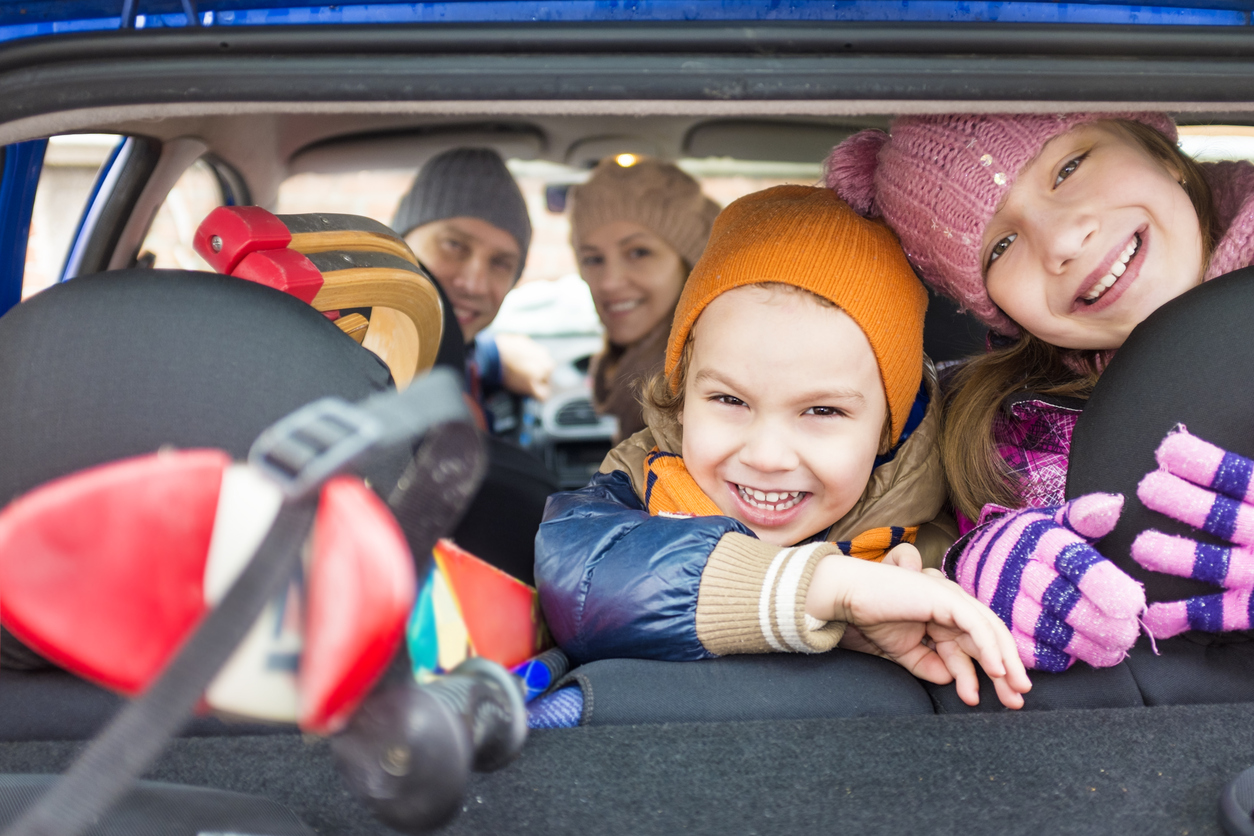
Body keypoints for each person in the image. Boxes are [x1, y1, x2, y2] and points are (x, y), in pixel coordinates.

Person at [536, 186, 1031, 709]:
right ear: (682, 402)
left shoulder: (944, 551)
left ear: (889, 425)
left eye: (822, 411)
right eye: (730, 400)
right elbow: (578, 585)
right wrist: (822, 588)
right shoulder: (633, 490)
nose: (767, 457)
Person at [826, 112, 1254, 672]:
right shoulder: (1003, 433)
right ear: (998, 309)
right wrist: (974, 577)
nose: (1062, 243)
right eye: (1002, 245)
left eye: (1070, 167)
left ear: (1160, 153)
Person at [392, 147, 554, 418]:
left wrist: (493, 356)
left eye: (500, 263)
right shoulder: (353, 362)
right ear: (398, 244)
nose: (474, 285)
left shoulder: (468, 358)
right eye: (454, 245)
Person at [568, 157, 720, 441]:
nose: (609, 282)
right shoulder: (630, 372)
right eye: (593, 259)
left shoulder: (707, 388)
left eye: (639, 253)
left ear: (692, 267)